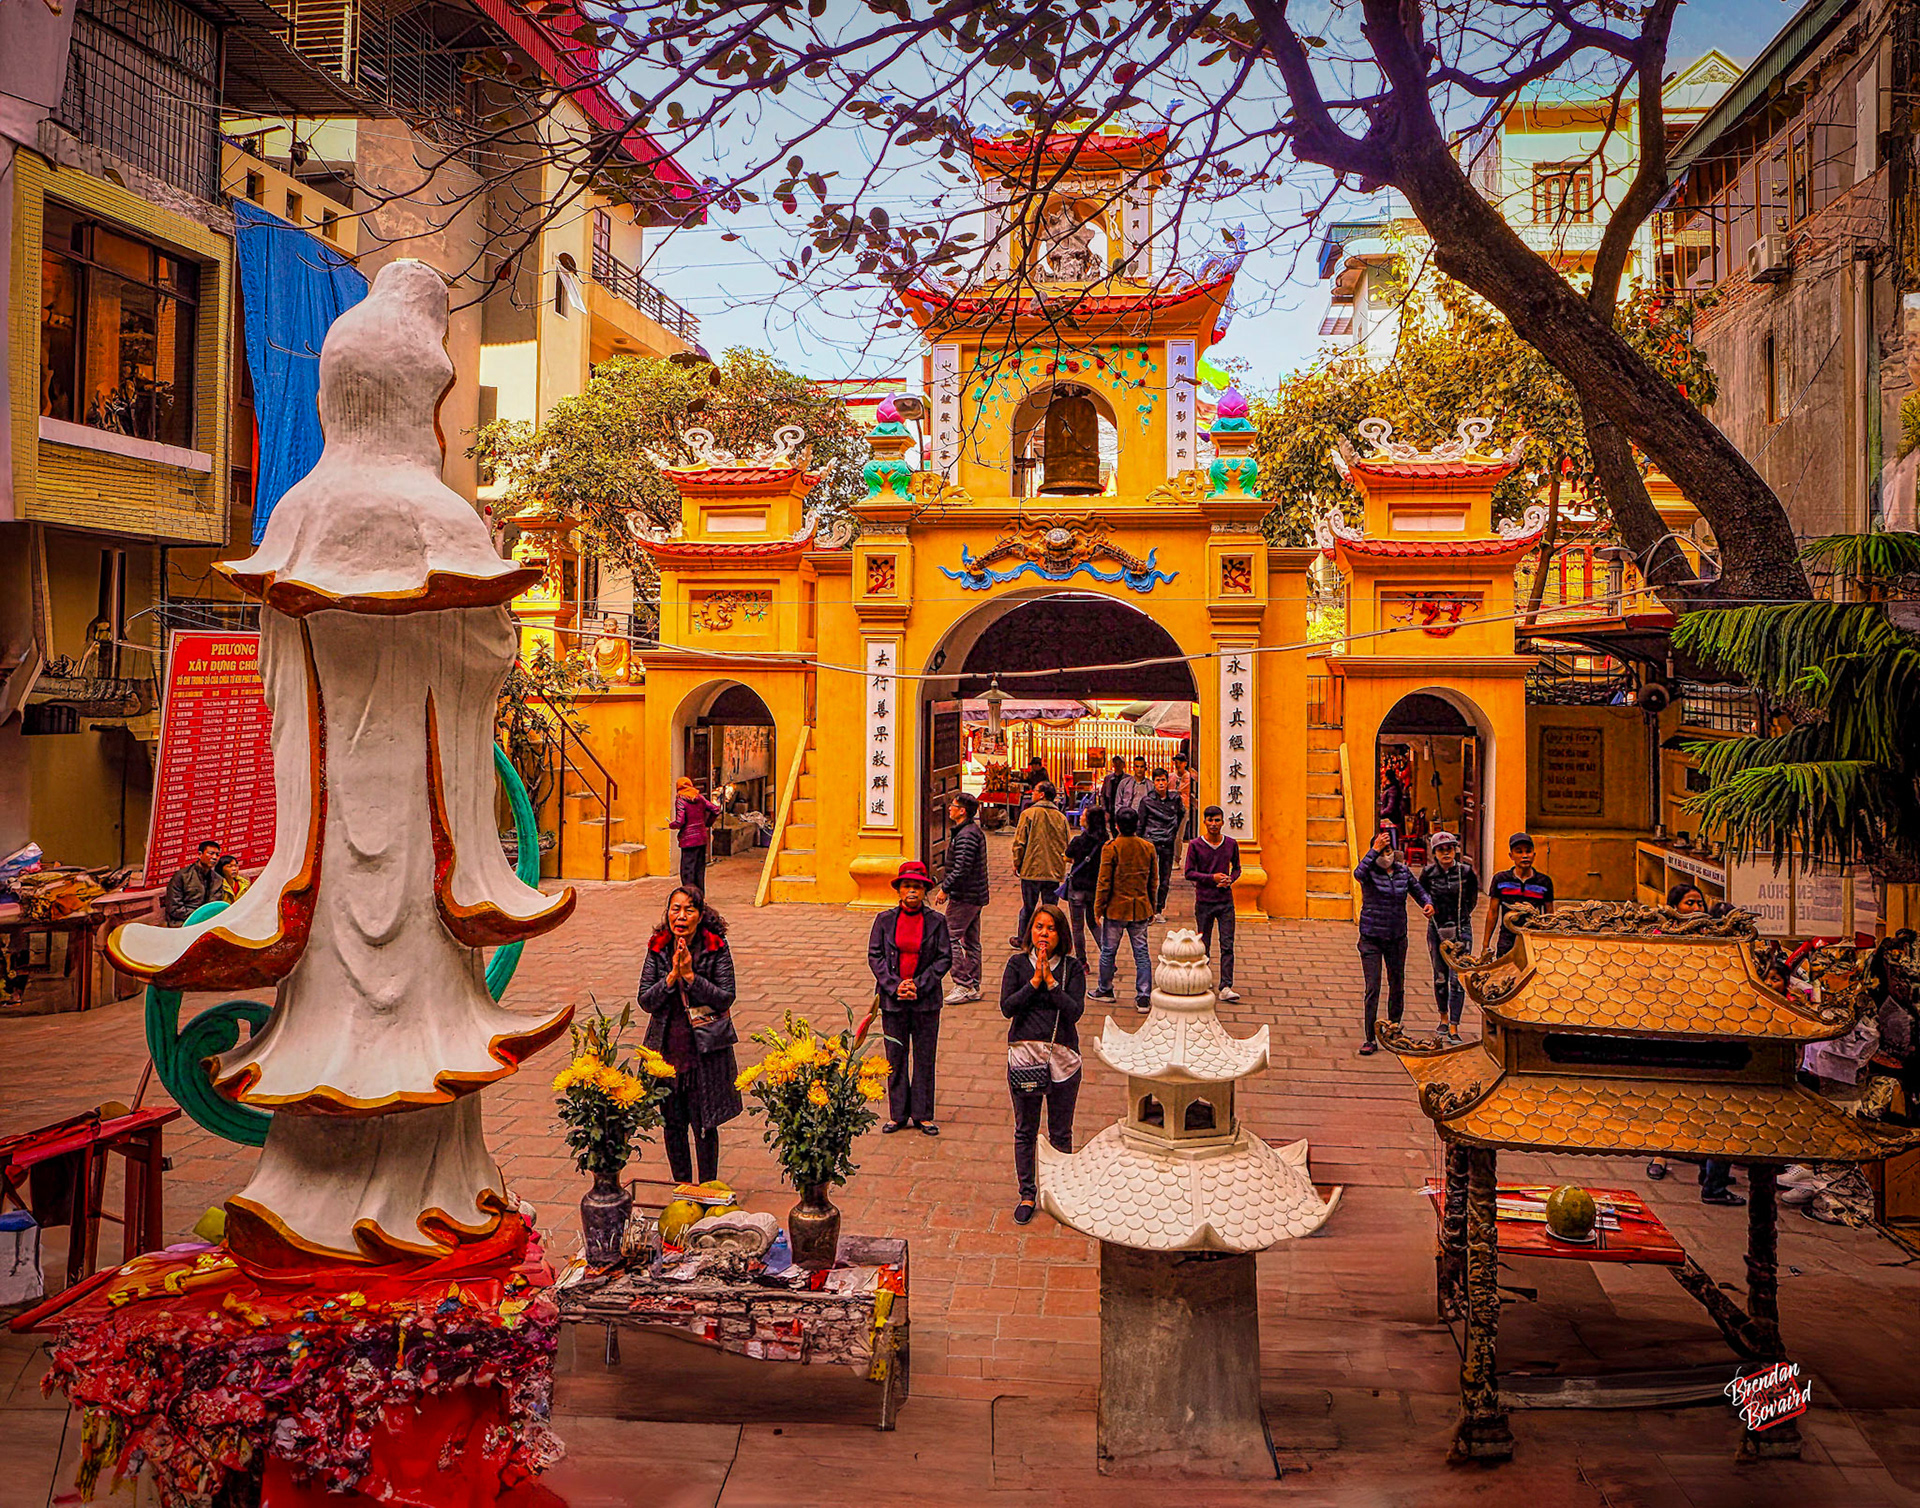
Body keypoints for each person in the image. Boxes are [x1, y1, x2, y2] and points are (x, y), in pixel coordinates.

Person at [1643, 884, 1745, 1203]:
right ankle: (1665, 1156)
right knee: (1676, 1096)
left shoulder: (1714, 948)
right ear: (1673, 906)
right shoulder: (1665, 939)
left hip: (1707, 1032)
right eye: (1689, 903)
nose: (1695, 908)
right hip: (1672, 1027)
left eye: (1699, 903)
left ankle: (1710, 1168)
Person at [638, 885, 743, 1185]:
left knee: (704, 1125)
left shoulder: (715, 946)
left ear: (700, 915)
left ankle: (708, 1186)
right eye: (675, 909)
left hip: (704, 1053)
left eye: (689, 910)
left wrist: (692, 979)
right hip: (667, 1051)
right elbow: (645, 1000)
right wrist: (671, 977)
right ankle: (682, 1186)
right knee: (672, 1125)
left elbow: (725, 997)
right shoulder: (658, 947)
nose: (680, 916)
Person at [1001, 901, 1086, 1225]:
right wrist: (1034, 982)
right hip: (1025, 1059)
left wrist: (1051, 982)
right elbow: (1008, 1007)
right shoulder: (1017, 965)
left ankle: (1059, 1190)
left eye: (1050, 928)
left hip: (1063, 1059)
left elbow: (1074, 1011)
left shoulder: (1072, 968)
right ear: (1030, 930)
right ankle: (1027, 1192)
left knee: (1060, 1132)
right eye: (1039, 927)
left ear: (1060, 934)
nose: (1044, 933)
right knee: (1025, 1129)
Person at [868, 860, 953, 1135]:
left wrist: (919, 984)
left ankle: (923, 1114)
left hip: (925, 1000)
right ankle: (898, 1114)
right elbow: (875, 956)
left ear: (924, 890)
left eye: (917, 886)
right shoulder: (884, 920)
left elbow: (944, 958)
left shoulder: (937, 922)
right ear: (899, 891)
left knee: (925, 1056)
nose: (912, 891)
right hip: (893, 1000)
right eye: (907, 886)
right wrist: (895, 985)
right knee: (895, 1055)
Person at [1354, 829, 1434, 1055]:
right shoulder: (1369, 872)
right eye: (1382, 850)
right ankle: (1370, 1037)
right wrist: (1374, 850)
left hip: (1397, 937)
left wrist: (1427, 904)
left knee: (1397, 984)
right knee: (1373, 987)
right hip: (1371, 937)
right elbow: (1358, 873)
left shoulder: (1402, 872)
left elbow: (1419, 891)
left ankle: (1394, 1029)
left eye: (1388, 850)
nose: (1386, 854)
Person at [1093, 807, 1157, 1012]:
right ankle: (1143, 995)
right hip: (1140, 907)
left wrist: (1098, 908)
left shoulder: (1111, 847)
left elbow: (1104, 881)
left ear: (1117, 826)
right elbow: (1153, 881)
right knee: (1141, 953)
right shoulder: (1147, 847)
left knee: (1108, 951)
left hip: (1115, 908)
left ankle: (1105, 988)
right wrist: (1152, 908)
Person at [1419, 831, 1480, 1039]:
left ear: (1455, 850)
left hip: (1461, 929)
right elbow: (1423, 895)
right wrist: (1428, 908)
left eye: (1450, 848)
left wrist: (1462, 919)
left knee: (1458, 979)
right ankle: (1443, 1018)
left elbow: (1472, 899)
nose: (1446, 853)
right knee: (1440, 977)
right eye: (1441, 849)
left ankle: (1455, 1025)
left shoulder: (1466, 872)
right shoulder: (1428, 873)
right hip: (1437, 929)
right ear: (1435, 853)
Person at [1184, 805, 1241, 1002]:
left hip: (1225, 901)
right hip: (1204, 901)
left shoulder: (1231, 844)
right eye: (1210, 820)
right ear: (1205, 822)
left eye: (1217, 820)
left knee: (1227, 944)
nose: (1214, 824)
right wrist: (1212, 878)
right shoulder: (1195, 845)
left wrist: (1230, 879)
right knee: (1203, 944)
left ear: (1223, 822)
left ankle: (1226, 985)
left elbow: (1237, 869)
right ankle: (1204, 978)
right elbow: (1189, 873)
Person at [938, 792, 988, 1004]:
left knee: (950, 937)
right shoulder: (968, 832)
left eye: (954, 805)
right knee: (971, 941)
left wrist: (945, 889)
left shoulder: (966, 835)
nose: (950, 808)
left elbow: (961, 868)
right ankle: (973, 983)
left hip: (965, 895)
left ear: (962, 811)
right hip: (975, 894)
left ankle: (963, 983)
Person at [1009, 780, 1069, 950]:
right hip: (1053, 871)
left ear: (1042, 794)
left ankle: (1023, 939)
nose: (1032, 793)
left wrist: (1017, 862)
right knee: (1051, 909)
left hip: (1031, 870)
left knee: (1028, 907)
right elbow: (1066, 844)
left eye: (1035, 790)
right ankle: (1052, 939)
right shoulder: (1061, 818)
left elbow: (1020, 841)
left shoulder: (1028, 814)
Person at [1483, 833, 1555, 957]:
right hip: (1507, 938)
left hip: (1533, 937)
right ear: (1511, 856)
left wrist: (1548, 942)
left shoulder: (1544, 882)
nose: (1524, 856)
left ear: (1534, 855)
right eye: (1519, 852)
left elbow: (1549, 915)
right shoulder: (1501, 880)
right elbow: (1493, 912)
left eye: (1528, 851)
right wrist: (1485, 945)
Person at [1061, 806, 1108, 968]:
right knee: (1094, 923)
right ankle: (1108, 957)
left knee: (1077, 927)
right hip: (1095, 888)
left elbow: (1067, 856)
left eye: (1083, 815)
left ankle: (1082, 961)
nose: (1081, 817)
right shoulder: (1106, 842)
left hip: (1078, 888)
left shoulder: (1078, 841)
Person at [1140, 768, 1186, 923]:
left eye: (1163, 780)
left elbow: (1180, 815)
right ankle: (1148, 910)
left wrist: (1172, 832)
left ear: (1167, 781)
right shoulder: (1147, 801)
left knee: (1165, 879)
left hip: (1167, 842)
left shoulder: (1175, 799)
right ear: (1154, 782)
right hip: (1151, 843)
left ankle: (1159, 909)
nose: (1161, 783)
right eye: (1158, 780)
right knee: (1149, 878)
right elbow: (1142, 822)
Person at [668, 777, 721, 891]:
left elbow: (680, 821)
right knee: (699, 869)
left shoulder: (681, 800)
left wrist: (672, 825)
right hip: (701, 838)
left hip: (688, 840)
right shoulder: (699, 797)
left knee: (688, 870)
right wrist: (707, 824)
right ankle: (700, 895)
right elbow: (715, 809)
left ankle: (689, 895)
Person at [164, 839, 223, 925]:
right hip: (183, 921)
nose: (214, 857)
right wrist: (199, 917)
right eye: (211, 853)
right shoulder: (182, 876)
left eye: (217, 855)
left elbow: (214, 905)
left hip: (208, 921)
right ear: (199, 854)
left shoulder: (218, 879)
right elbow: (174, 908)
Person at [1171, 751, 1197, 838]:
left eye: (1180, 763)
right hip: (1172, 806)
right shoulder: (1171, 776)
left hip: (1184, 806)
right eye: (1176, 763)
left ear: (1185, 764)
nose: (1178, 765)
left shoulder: (1189, 777)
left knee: (1180, 833)